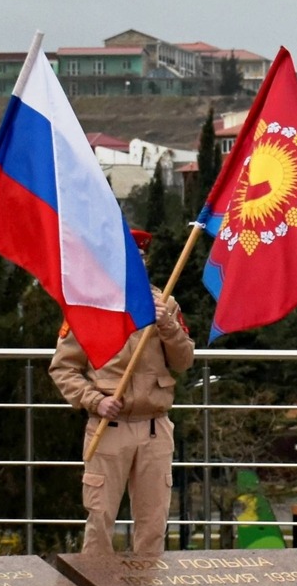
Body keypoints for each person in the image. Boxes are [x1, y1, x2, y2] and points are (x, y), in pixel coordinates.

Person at [52, 227, 194, 557]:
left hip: (154, 427)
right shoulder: (87, 306)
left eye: (137, 257)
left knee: (153, 526)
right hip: (108, 427)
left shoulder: (164, 303)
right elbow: (63, 369)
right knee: (100, 522)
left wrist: (167, 325)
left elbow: (184, 361)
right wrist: (95, 400)